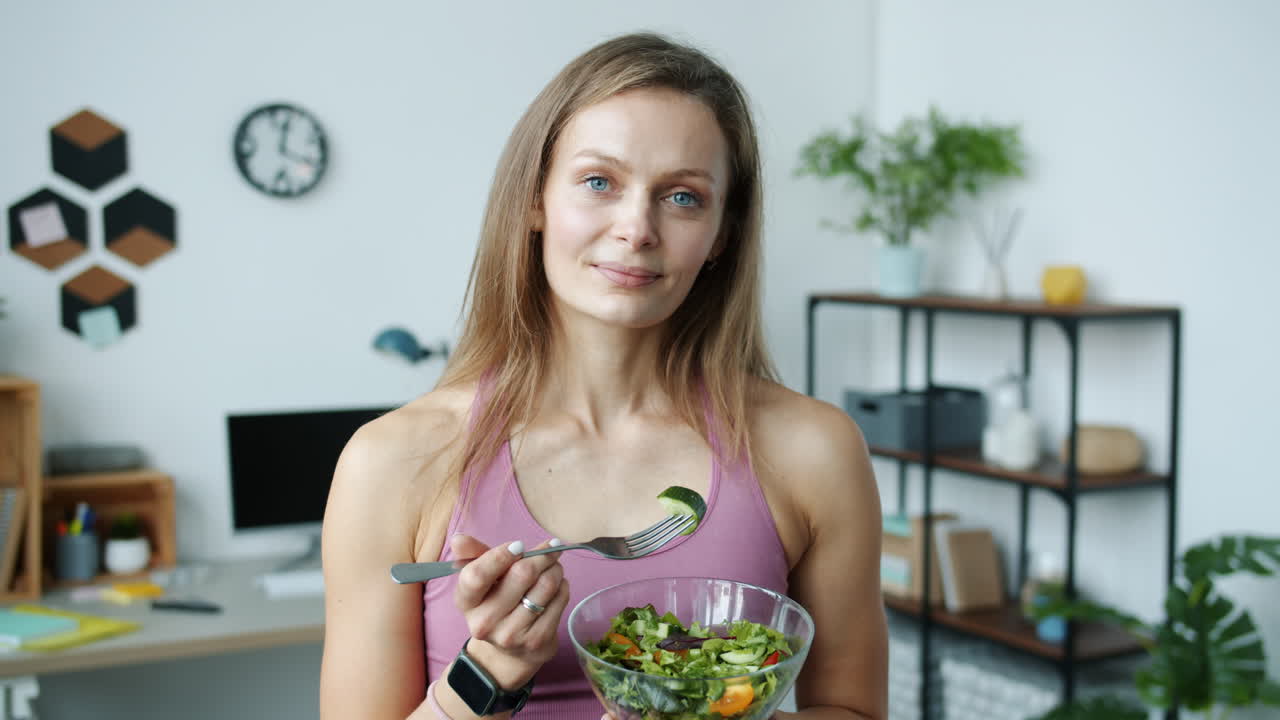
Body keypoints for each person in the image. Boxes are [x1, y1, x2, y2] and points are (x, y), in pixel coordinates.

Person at [320, 31, 887, 720]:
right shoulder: (393, 461)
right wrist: (491, 670)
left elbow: (854, 710)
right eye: (599, 182)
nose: (635, 227)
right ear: (535, 200)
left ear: (722, 237)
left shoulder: (813, 449)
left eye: (682, 197)